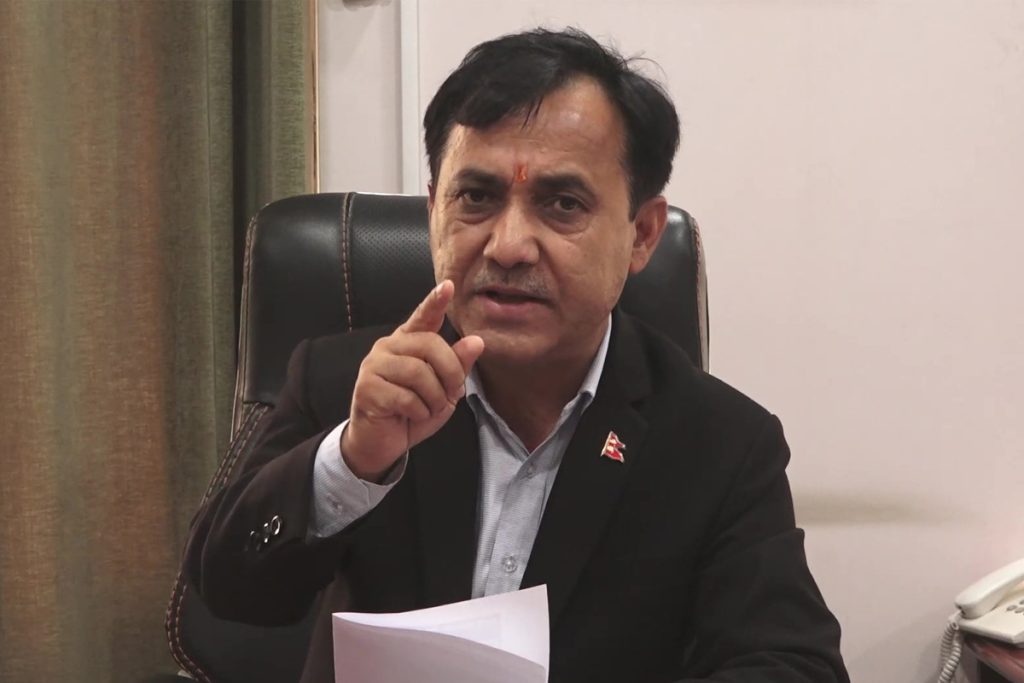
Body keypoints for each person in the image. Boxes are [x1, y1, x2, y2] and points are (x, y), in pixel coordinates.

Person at [186, 28, 849, 683]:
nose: (507, 246)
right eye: (476, 197)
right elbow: (228, 595)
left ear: (642, 234)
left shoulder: (720, 445)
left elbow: (794, 666)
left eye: (562, 204)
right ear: (434, 212)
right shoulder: (350, 384)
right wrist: (354, 461)